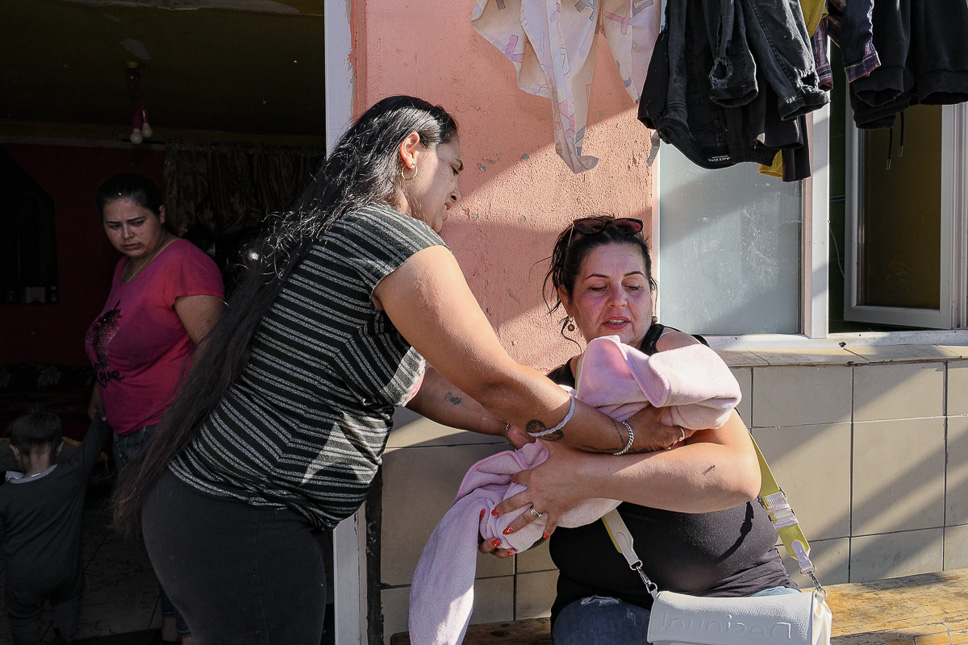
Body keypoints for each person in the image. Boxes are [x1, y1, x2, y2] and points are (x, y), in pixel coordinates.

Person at [111, 96, 676, 645]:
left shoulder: (340, 231)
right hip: (242, 514)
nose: (457, 189)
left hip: (206, 512)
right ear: (411, 150)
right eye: (453, 167)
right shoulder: (391, 236)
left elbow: (423, 385)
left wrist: (515, 424)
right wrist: (623, 435)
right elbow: (495, 379)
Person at [483, 215, 798, 643]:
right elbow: (546, 499)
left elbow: (738, 477)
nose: (619, 301)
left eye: (634, 286)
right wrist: (512, 526)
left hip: (742, 594)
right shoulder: (553, 396)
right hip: (607, 604)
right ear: (567, 299)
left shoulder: (675, 362)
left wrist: (584, 476)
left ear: (651, 294)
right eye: (598, 287)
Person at [87, 172, 224, 645]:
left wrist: (177, 427)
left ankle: (193, 634)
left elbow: (214, 349)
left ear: (161, 214)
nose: (126, 235)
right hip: (132, 428)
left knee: (179, 545)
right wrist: (101, 388)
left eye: (137, 222)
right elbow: (117, 336)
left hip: (165, 430)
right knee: (160, 543)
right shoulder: (127, 267)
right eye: (114, 225)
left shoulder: (183, 263)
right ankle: (173, 625)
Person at [0, 408, 109, 645]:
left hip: (24, 579)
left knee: (24, 623)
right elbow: (98, 434)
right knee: (68, 610)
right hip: (66, 574)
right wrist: (101, 408)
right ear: (59, 448)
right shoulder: (73, 475)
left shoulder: (5, 495)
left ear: (15, 451)